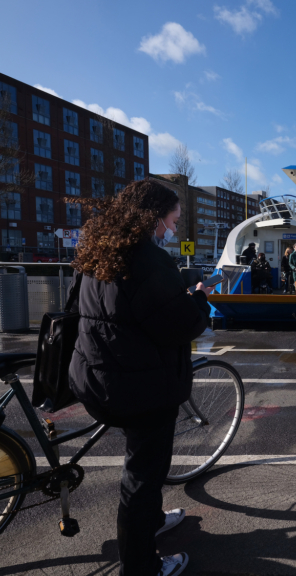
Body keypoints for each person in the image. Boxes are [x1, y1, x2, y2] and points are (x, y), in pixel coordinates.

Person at [66, 180, 213, 576]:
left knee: (139, 467)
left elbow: (129, 302)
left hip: (98, 376)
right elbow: (180, 325)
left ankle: (150, 522)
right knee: (142, 479)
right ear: (153, 218)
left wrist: (176, 284)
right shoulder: (147, 259)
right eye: (171, 221)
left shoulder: (103, 251)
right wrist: (199, 296)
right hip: (141, 388)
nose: (172, 230)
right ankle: (141, 567)